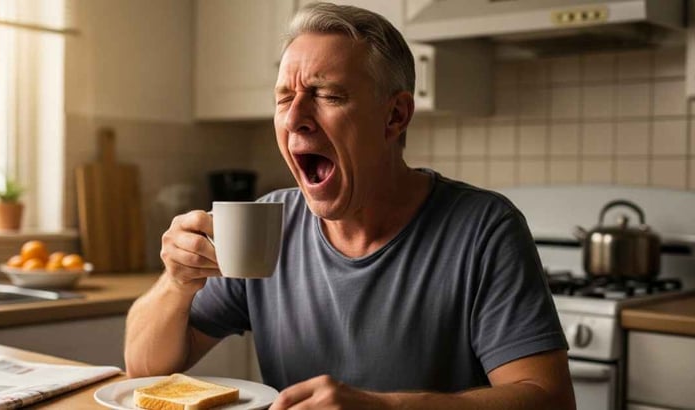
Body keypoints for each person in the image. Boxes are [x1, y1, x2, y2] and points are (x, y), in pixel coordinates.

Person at [125, 2, 575, 409]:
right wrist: (176, 282)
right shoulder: (268, 225)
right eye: (284, 98)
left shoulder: (484, 229)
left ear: (395, 116)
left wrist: (385, 408)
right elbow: (144, 370)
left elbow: (550, 400)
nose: (294, 118)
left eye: (327, 95)